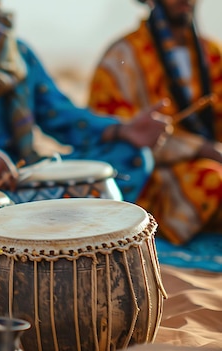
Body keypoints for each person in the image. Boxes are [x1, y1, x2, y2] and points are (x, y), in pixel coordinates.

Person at [0, 0, 170, 206]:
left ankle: (43, 218)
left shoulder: (18, 54)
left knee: (131, 157)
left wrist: (121, 130)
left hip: (22, 171)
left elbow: (58, 113)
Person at [88, 0, 222, 245]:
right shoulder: (121, 57)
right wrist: (200, 148)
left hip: (212, 159)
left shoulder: (211, 53)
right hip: (149, 173)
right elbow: (111, 134)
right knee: (213, 178)